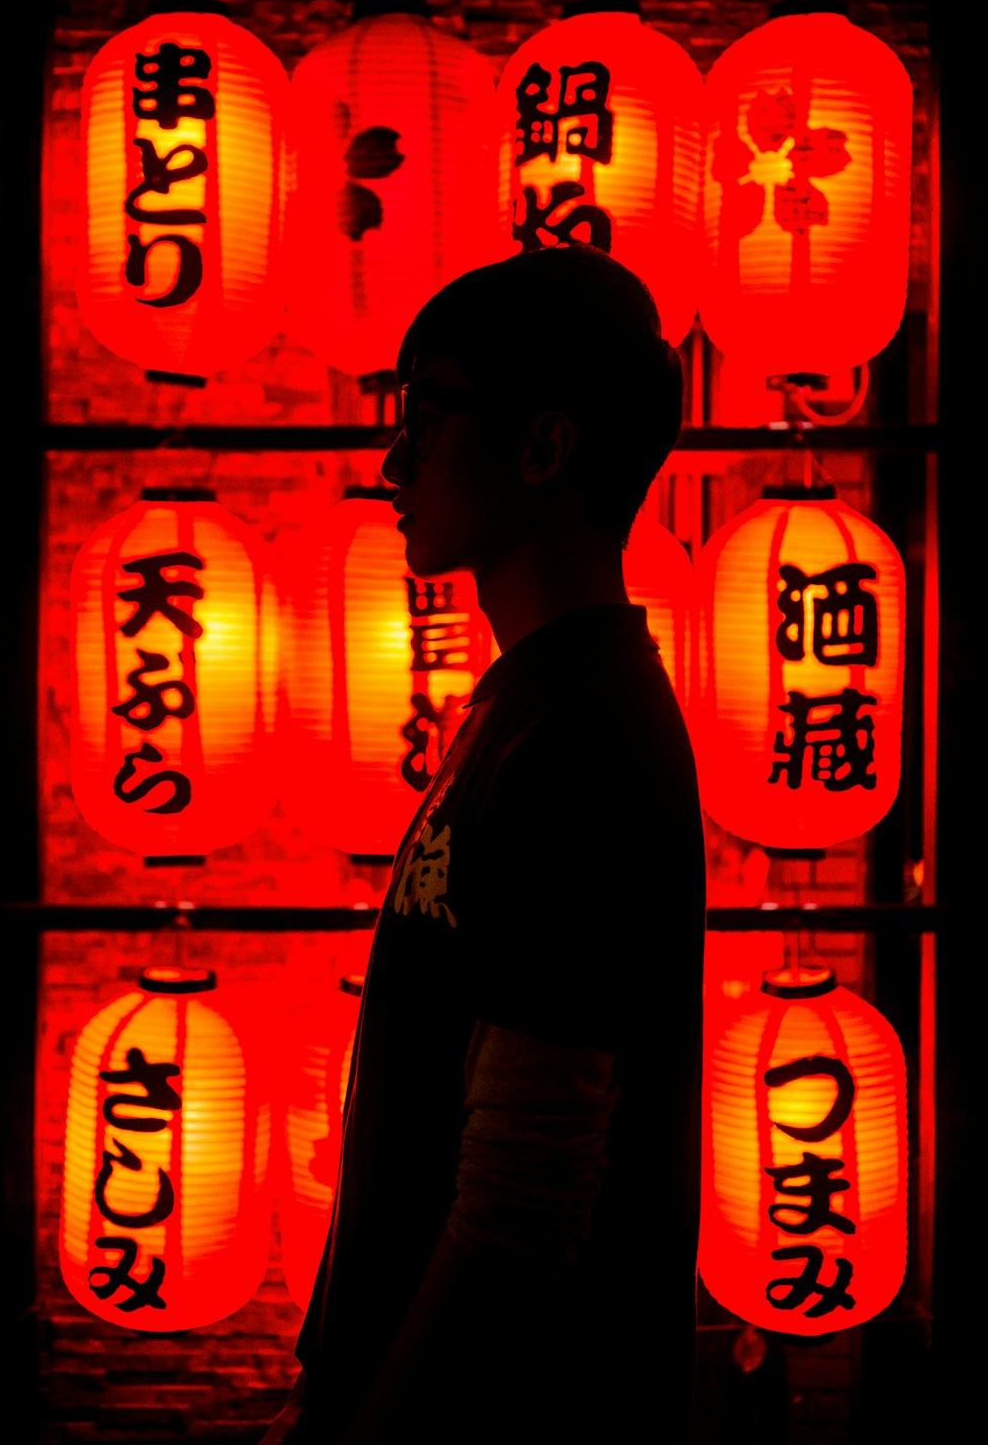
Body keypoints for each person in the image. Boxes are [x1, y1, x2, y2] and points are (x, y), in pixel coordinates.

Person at [261, 244, 706, 1443]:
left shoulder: (587, 737)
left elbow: (521, 1196)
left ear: (544, 447)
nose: (395, 461)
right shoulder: (522, 711)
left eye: (430, 413)